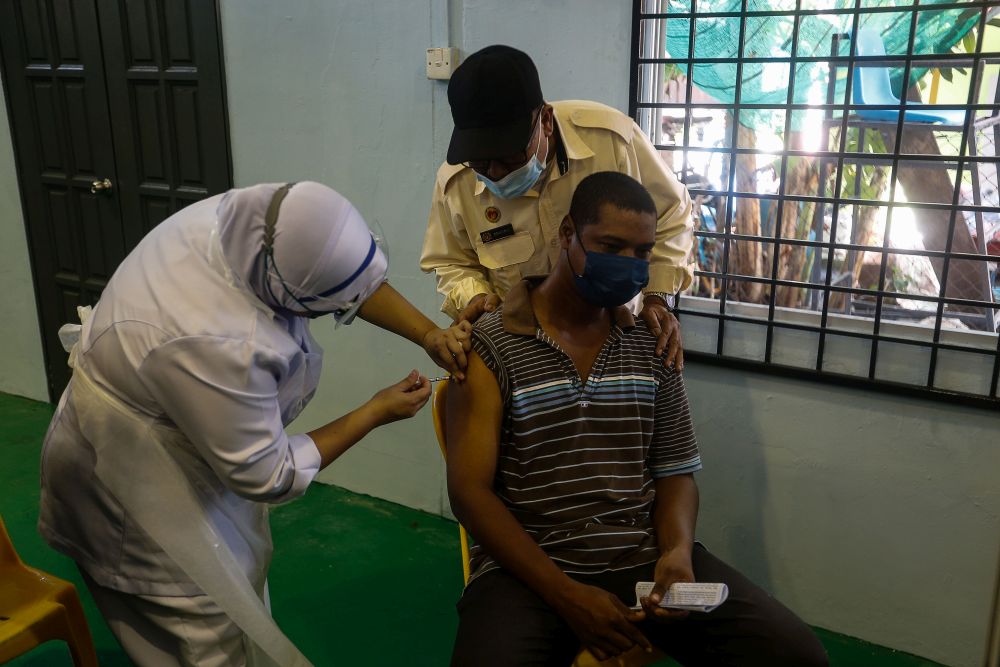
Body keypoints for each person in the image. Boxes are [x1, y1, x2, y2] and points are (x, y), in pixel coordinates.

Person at [38, 181, 472, 667]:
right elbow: (270, 474)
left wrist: (429, 335)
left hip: (168, 424)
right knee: (206, 628)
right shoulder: (219, 343)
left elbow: (348, 277)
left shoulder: (261, 222)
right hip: (131, 488)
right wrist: (373, 412)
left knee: (237, 594)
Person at [445, 172, 828, 666]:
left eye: (643, 252)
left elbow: (675, 472)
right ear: (567, 234)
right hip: (528, 570)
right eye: (611, 245)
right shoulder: (490, 343)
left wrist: (676, 552)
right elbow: (469, 494)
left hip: (639, 557)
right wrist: (567, 596)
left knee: (796, 655)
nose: (629, 266)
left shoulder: (652, 343)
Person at [421, 44, 694, 370]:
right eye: (481, 161)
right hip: (519, 349)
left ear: (546, 121)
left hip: (618, 337)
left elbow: (672, 213)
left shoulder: (610, 142)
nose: (495, 172)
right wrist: (478, 299)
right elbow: (450, 261)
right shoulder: (457, 181)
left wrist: (657, 297)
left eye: (509, 157)